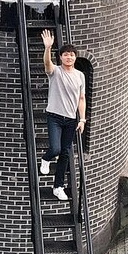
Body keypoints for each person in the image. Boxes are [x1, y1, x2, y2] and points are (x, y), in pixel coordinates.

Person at [40, 29, 86, 202]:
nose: (69, 57)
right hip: (54, 116)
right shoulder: (56, 72)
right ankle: (45, 159)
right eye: (66, 55)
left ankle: (58, 187)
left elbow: (81, 99)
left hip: (71, 119)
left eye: (72, 55)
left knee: (66, 154)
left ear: (75, 58)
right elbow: (47, 64)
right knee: (56, 149)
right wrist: (48, 48)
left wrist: (82, 119)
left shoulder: (80, 76)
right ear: (61, 57)